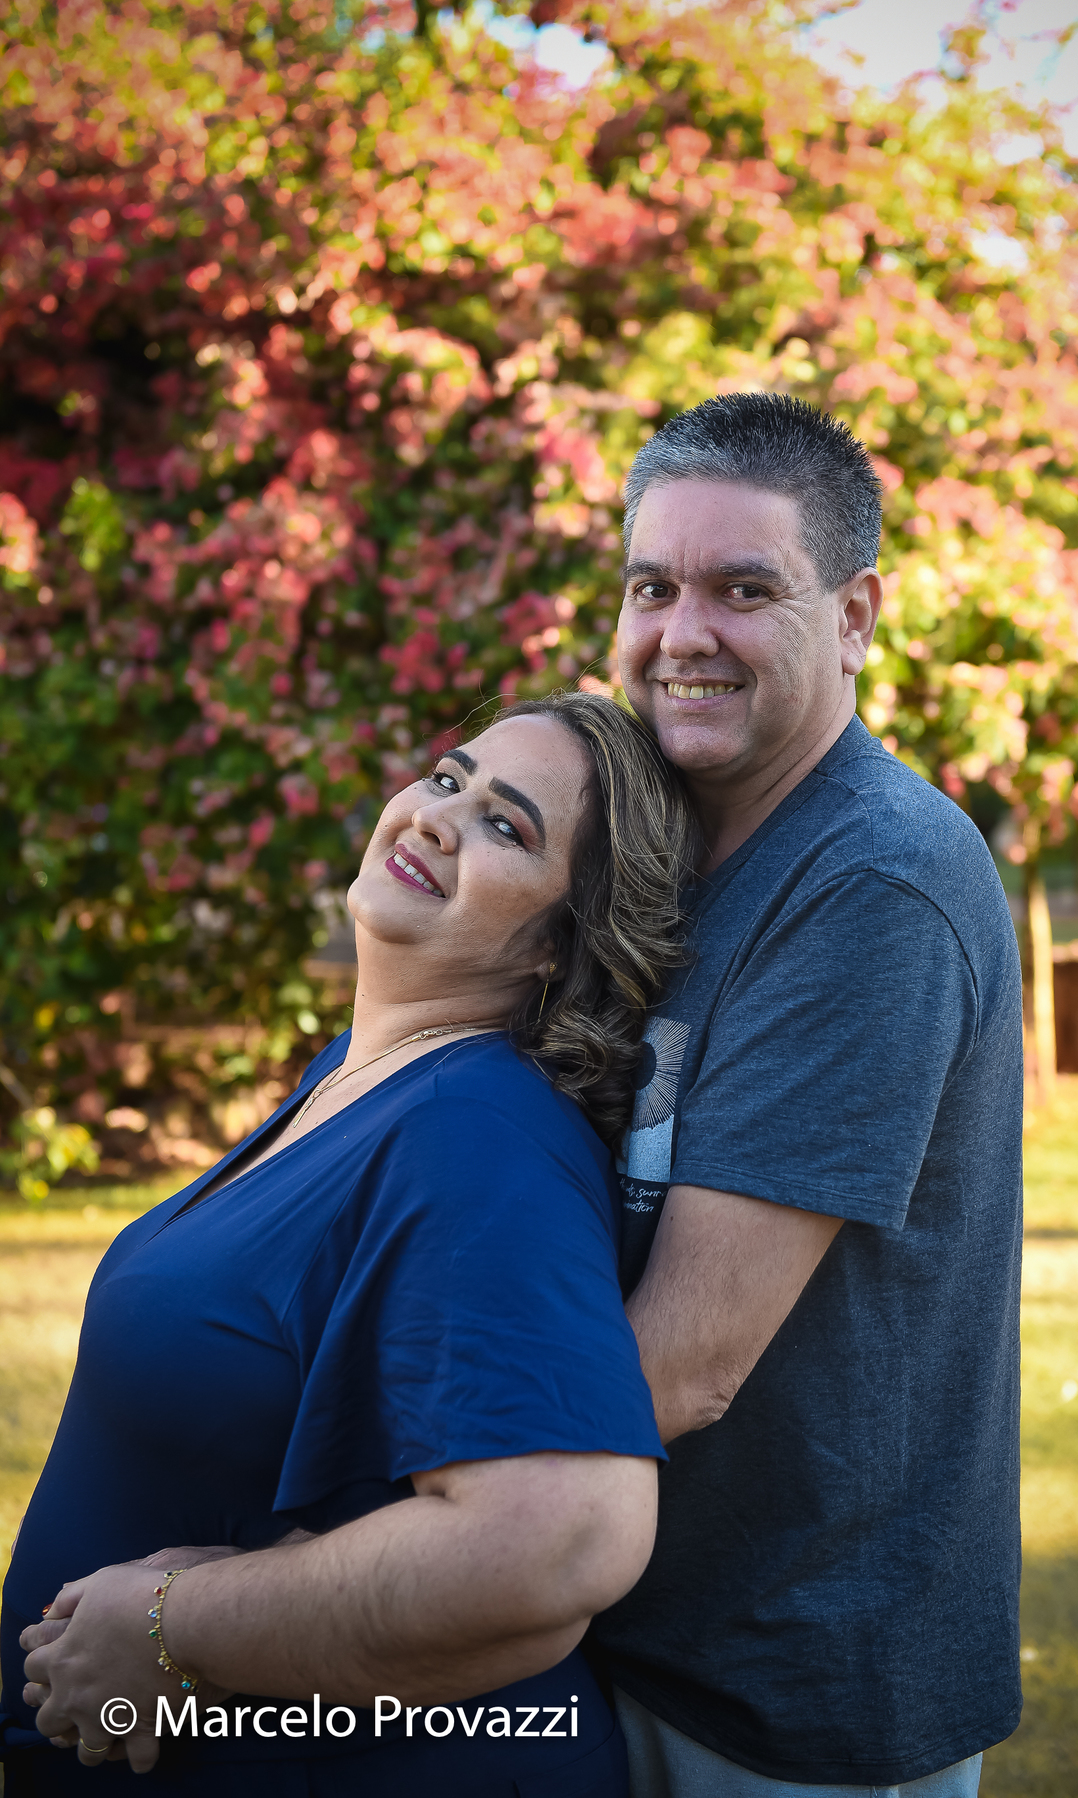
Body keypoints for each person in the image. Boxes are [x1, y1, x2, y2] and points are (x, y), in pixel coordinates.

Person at [4, 692, 700, 1796]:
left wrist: (175, 1626)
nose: (438, 816)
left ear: (557, 946)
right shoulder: (359, 1071)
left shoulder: (474, 1135)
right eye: (448, 777)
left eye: (506, 825)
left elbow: (559, 1537)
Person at [590, 395, 1024, 1798]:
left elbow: (685, 1363)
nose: (682, 633)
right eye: (652, 587)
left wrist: (346, 1533)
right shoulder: (665, 852)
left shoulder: (874, 884)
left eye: (742, 589)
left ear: (853, 617)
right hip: (640, 1626)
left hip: (796, 1688)